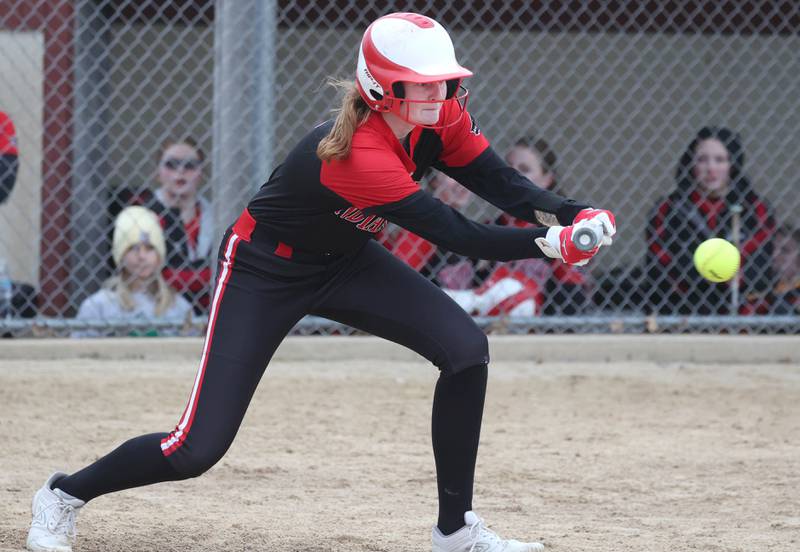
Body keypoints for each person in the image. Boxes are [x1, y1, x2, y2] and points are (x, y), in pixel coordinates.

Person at [26, 13, 617, 552]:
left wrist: (573, 213)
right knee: (194, 449)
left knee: (466, 350)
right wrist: (553, 243)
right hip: (263, 269)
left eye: (445, 80)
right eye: (423, 83)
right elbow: (457, 233)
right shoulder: (357, 152)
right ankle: (62, 495)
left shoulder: (442, 115)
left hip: (346, 259)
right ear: (382, 89)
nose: (440, 92)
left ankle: (455, 532)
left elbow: (499, 182)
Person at [644, 126, 776, 315]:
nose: (711, 168)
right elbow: (661, 263)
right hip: (684, 309)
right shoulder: (668, 209)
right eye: (702, 160)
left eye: (720, 160)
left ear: (733, 164)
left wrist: (740, 274)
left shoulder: (756, 208)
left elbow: (762, 260)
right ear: (691, 164)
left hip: (743, 308)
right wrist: (705, 273)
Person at [110, 138, 213, 314]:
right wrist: (205, 277)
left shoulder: (215, 214)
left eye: (190, 165)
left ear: (201, 173)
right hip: (162, 306)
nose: (180, 172)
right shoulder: (142, 214)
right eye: (171, 165)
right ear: (157, 173)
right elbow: (142, 272)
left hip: (211, 308)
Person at [72, 206, 193, 337]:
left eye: (150, 248)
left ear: (159, 257)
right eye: (134, 248)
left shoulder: (178, 307)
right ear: (121, 255)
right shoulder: (98, 306)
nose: (142, 256)